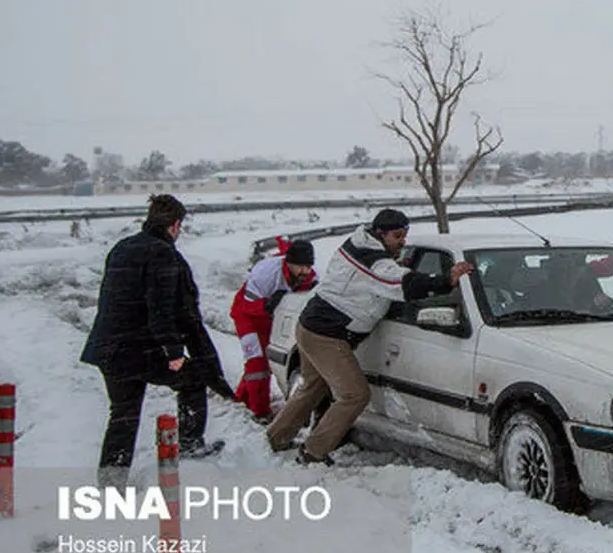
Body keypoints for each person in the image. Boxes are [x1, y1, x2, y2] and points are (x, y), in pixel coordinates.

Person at [265, 208, 474, 466]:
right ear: (380, 234)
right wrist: (446, 280)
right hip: (326, 336)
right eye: (397, 236)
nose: (403, 241)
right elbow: (400, 284)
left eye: (405, 235)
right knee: (355, 395)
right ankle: (313, 452)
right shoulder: (372, 261)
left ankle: (276, 438)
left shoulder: (359, 243)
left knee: (313, 386)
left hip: (311, 326)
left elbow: (384, 276)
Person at [79, 194, 235, 487]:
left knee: (123, 414)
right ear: (175, 225)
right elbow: (160, 306)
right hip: (140, 348)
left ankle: (111, 481)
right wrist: (174, 351)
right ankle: (190, 446)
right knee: (192, 380)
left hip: (109, 347)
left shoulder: (121, 248)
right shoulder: (163, 254)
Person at [229, 237, 318, 422]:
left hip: (271, 320)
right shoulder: (266, 273)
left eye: (308, 267)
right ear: (288, 263)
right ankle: (260, 412)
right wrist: (267, 305)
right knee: (256, 363)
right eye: (300, 267)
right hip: (248, 317)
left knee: (267, 360)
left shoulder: (311, 278)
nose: (304, 271)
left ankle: (242, 398)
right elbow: (247, 303)